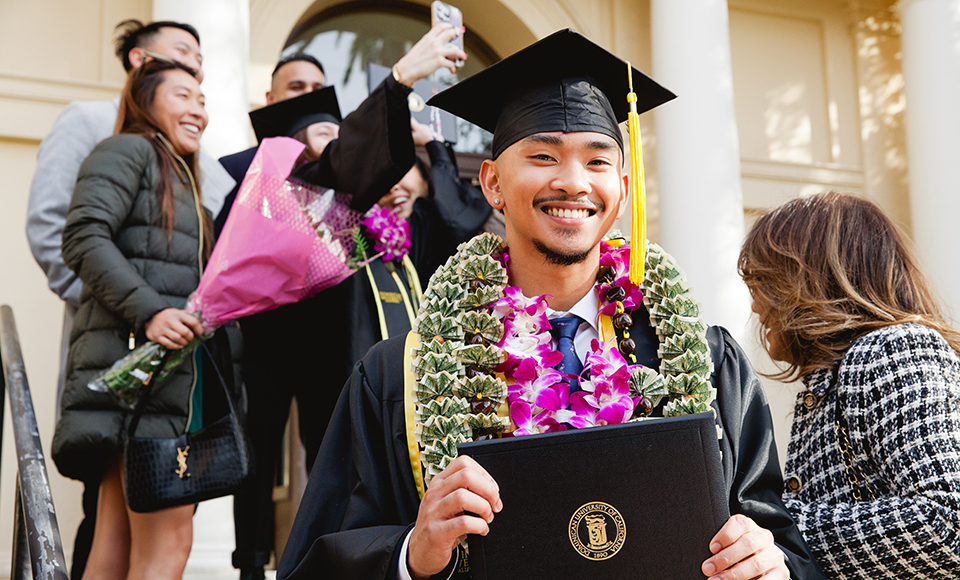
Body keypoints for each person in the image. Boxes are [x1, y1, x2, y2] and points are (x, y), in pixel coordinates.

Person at [277, 29, 825, 580]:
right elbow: (317, 559)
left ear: (624, 187)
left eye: (597, 162)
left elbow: (778, 536)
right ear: (491, 183)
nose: (572, 182)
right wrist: (410, 556)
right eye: (543, 155)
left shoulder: (704, 361)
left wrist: (770, 564)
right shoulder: (400, 377)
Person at [227, 26, 488, 579]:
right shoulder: (293, 195)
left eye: (337, 129)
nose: (333, 137)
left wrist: (434, 145)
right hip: (306, 362)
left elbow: (459, 218)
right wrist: (399, 80)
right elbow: (340, 175)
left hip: (377, 376)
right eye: (323, 132)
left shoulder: (390, 227)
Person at [24, 18, 235, 578]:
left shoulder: (181, 173)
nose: (199, 109)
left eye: (204, 98)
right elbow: (81, 235)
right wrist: (152, 311)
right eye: (182, 95)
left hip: (151, 388)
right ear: (144, 96)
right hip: (144, 382)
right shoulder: (127, 148)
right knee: (168, 544)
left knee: (113, 545)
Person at [738, 192, 960, 578]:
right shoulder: (828, 382)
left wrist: (782, 528)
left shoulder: (893, 348)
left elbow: (949, 522)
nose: (755, 306)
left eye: (763, 281)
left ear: (811, 279)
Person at [215, 53, 327, 235]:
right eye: (297, 87)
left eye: (317, 89)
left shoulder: (335, 170)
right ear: (271, 99)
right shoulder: (235, 168)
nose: (308, 95)